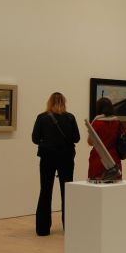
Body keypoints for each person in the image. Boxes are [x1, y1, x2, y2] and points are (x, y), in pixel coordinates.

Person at [31, 92, 80, 236]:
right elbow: (76, 138)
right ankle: (69, 227)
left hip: (47, 157)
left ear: (49, 102)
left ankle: (43, 229)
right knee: (67, 192)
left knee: (45, 191)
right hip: (66, 158)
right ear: (64, 102)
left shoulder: (42, 117)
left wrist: (47, 141)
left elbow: (35, 138)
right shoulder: (70, 118)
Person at [88, 97, 123, 181]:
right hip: (114, 157)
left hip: (98, 157)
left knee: (97, 184)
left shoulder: (97, 123)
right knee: (115, 185)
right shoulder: (117, 122)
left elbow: (90, 142)